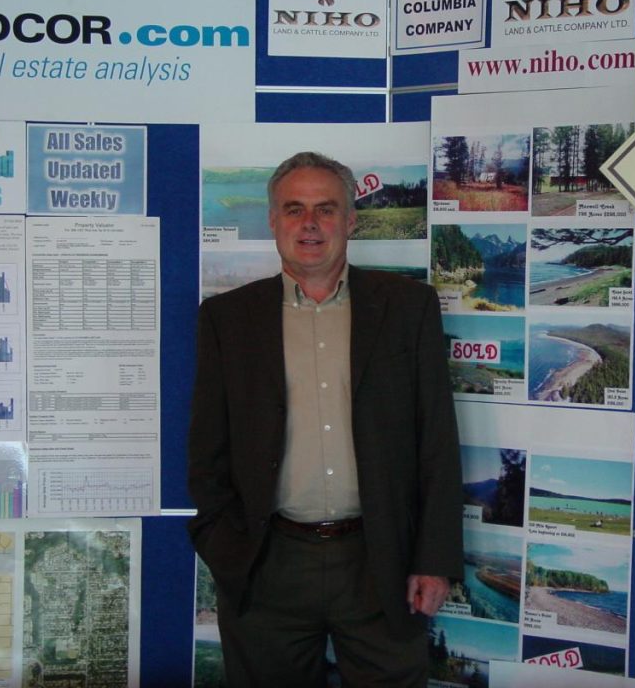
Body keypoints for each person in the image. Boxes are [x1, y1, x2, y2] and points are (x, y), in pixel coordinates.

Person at [187, 151, 463, 687]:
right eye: (294, 209)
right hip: (268, 565)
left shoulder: (408, 308)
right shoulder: (227, 319)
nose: (309, 224)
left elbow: (436, 440)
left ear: (351, 220)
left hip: (382, 562)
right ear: (273, 220)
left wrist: (434, 558)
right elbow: (207, 449)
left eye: (326, 209)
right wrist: (226, 549)